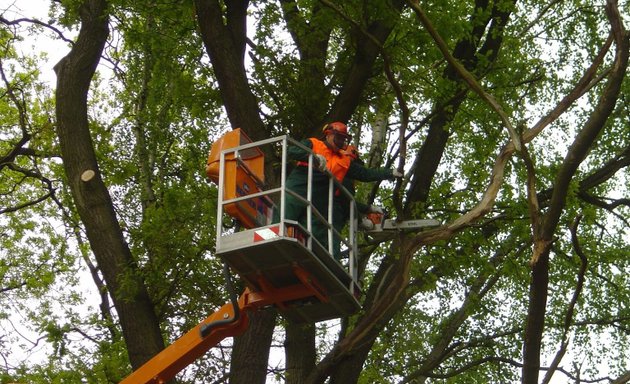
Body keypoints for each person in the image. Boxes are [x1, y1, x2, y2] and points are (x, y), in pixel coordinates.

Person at [283, 122, 402, 259]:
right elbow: (292, 151)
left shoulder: (344, 161)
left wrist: (390, 173)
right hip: (301, 184)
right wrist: (312, 157)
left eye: (343, 139)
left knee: (319, 229)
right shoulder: (314, 144)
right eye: (338, 137)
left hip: (321, 197)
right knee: (288, 210)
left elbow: (365, 174)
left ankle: (323, 260)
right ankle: (275, 235)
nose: (340, 141)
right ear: (328, 135)